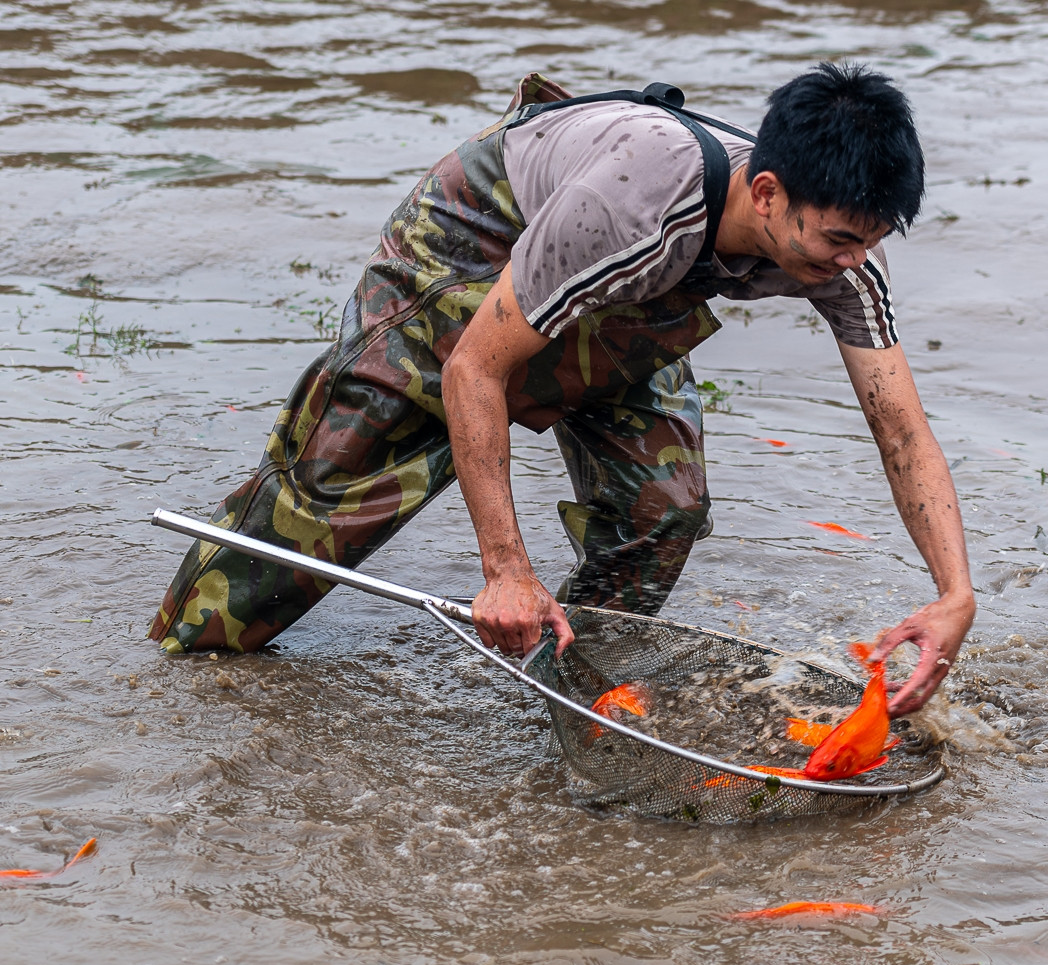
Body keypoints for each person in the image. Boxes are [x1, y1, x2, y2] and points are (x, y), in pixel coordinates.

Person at [149, 62, 975, 716]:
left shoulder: (842, 257)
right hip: (473, 249)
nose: (851, 262)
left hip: (627, 288)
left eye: (868, 241)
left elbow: (901, 432)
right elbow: (475, 368)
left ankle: (570, 683)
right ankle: (181, 668)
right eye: (837, 240)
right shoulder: (637, 211)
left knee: (662, 509)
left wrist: (952, 594)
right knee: (324, 505)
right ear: (766, 194)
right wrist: (505, 569)